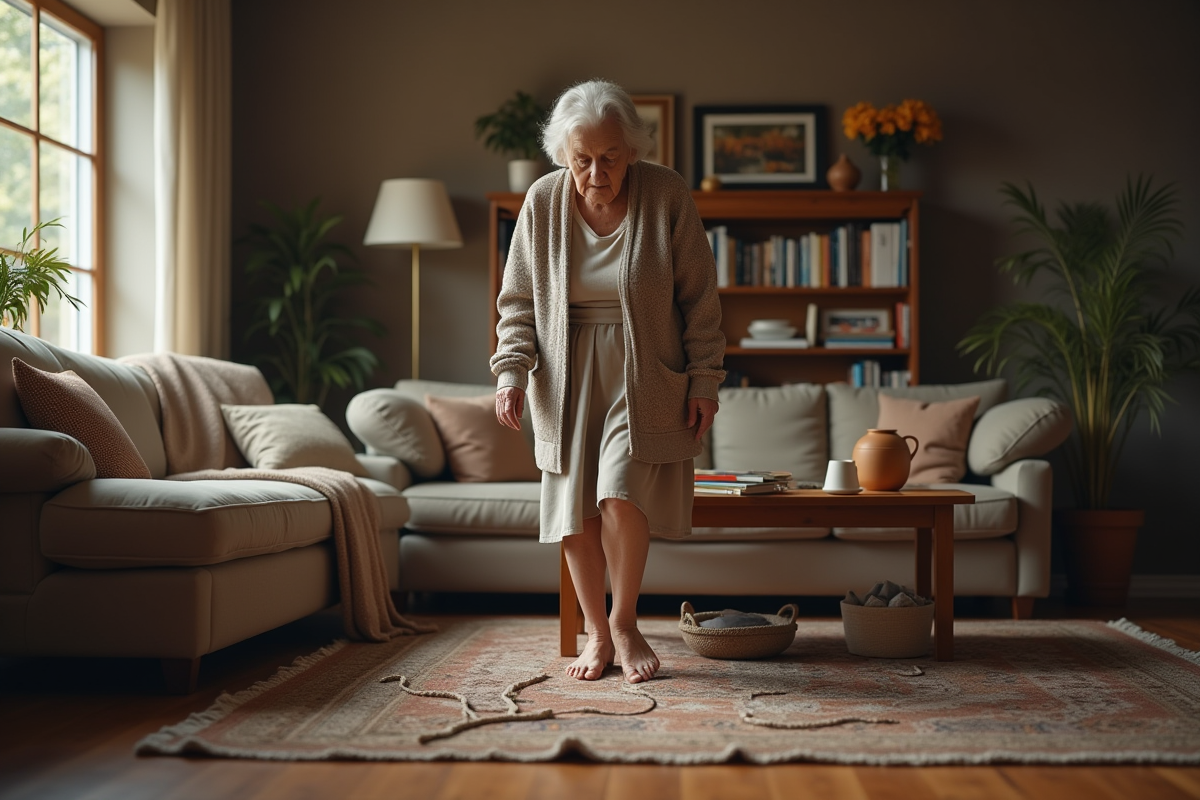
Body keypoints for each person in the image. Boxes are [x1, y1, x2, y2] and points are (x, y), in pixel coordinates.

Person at [490, 79, 725, 683]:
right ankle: (596, 632)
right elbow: (517, 301)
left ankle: (625, 622)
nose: (596, 172)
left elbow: (699, 298)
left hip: (643, 370)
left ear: (633, 150)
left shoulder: (666, 194)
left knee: (621, 492)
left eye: (610, 158)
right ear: (563, 156)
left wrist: (704, 380)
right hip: (564, 370)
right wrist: (511, 371)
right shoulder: (541, 202)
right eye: (582, 159)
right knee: (575, 507)